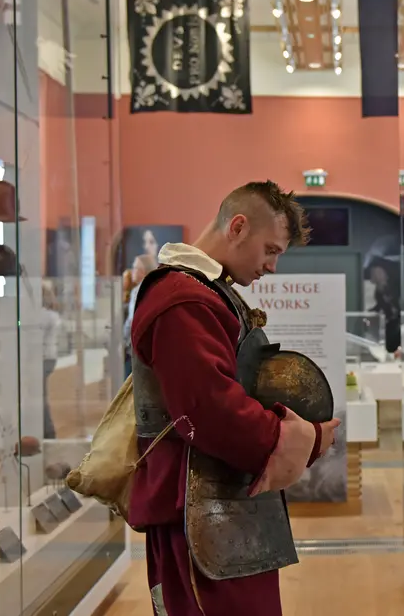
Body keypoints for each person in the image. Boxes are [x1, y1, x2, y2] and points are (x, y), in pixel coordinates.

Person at [129, 181, 341, 616]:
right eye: (271, 250)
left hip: (221, 504)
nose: (273, 266)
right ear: (238, 226)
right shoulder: (181, 300)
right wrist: (304, 439)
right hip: (198, 512)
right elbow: (211, 411)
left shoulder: (205, 293)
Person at [123, 254, 157, 378]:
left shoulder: (138, 290)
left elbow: (132, 321)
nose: (132, 271)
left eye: (135, 267)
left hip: (134, 350)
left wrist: (123, 342)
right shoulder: (155, 288)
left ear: (143, 271)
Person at [41, 283, 62, 439]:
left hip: (42, 358)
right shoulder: (53, 315)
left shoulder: (43, 315)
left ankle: (48, 432)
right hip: (49, 357)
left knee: (40, 397)